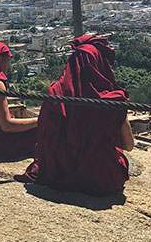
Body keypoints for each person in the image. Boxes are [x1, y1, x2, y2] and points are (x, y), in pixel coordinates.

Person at [15, 35, 134, 196]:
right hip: (101, 179)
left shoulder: (55, 92)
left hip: (57, 175)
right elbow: (128, 145)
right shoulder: (113, 100)